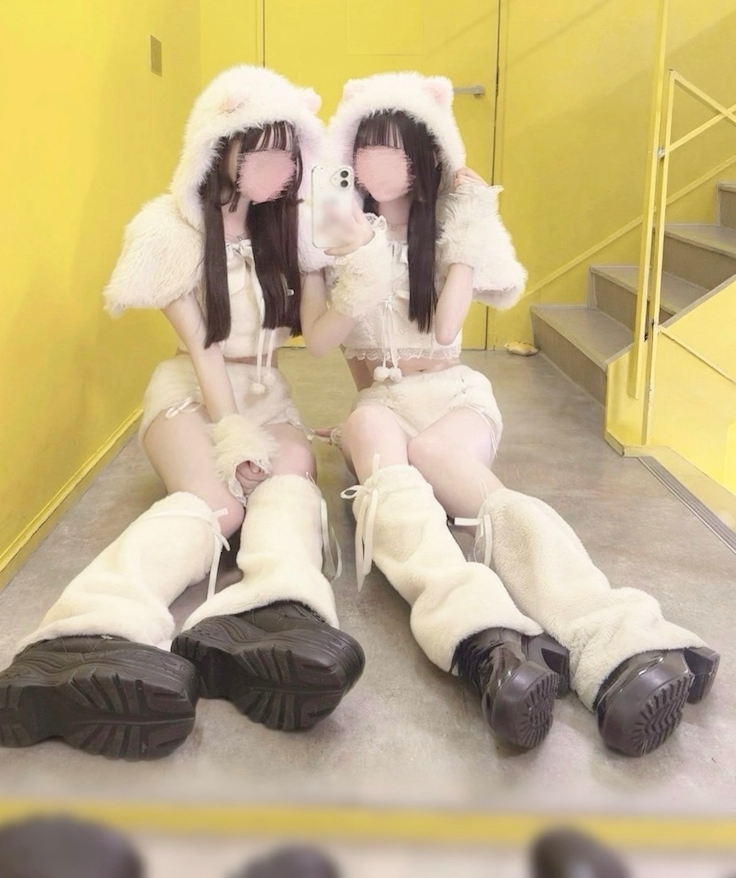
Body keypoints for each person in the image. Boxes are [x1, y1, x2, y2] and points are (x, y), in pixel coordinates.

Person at [301, 71, 718, 756]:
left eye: (396, 146)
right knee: (375, 448)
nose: (378, 160)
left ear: (426, 155)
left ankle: (611, 632)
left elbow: (444, 330)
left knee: (437, 458)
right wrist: (352, 259)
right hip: (379, 402)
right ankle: (484, 640)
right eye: (366, 144)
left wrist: (469, 229)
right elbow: (319, 342)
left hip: (452, 395)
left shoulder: (450, 231)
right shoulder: (327, 238)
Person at [0, 66, 364, 761]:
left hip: (268, 393)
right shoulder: (172, 230)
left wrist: (361, 270)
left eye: (288, 153)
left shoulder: (293, 232)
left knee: (294, 474)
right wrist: (232, 436)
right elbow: (205, 350)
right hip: (189, 390)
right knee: (221, 507)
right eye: (260, 149)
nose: (276, 167)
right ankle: (82, 635)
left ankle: (271, 612)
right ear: (220, 145)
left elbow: (319, 338)